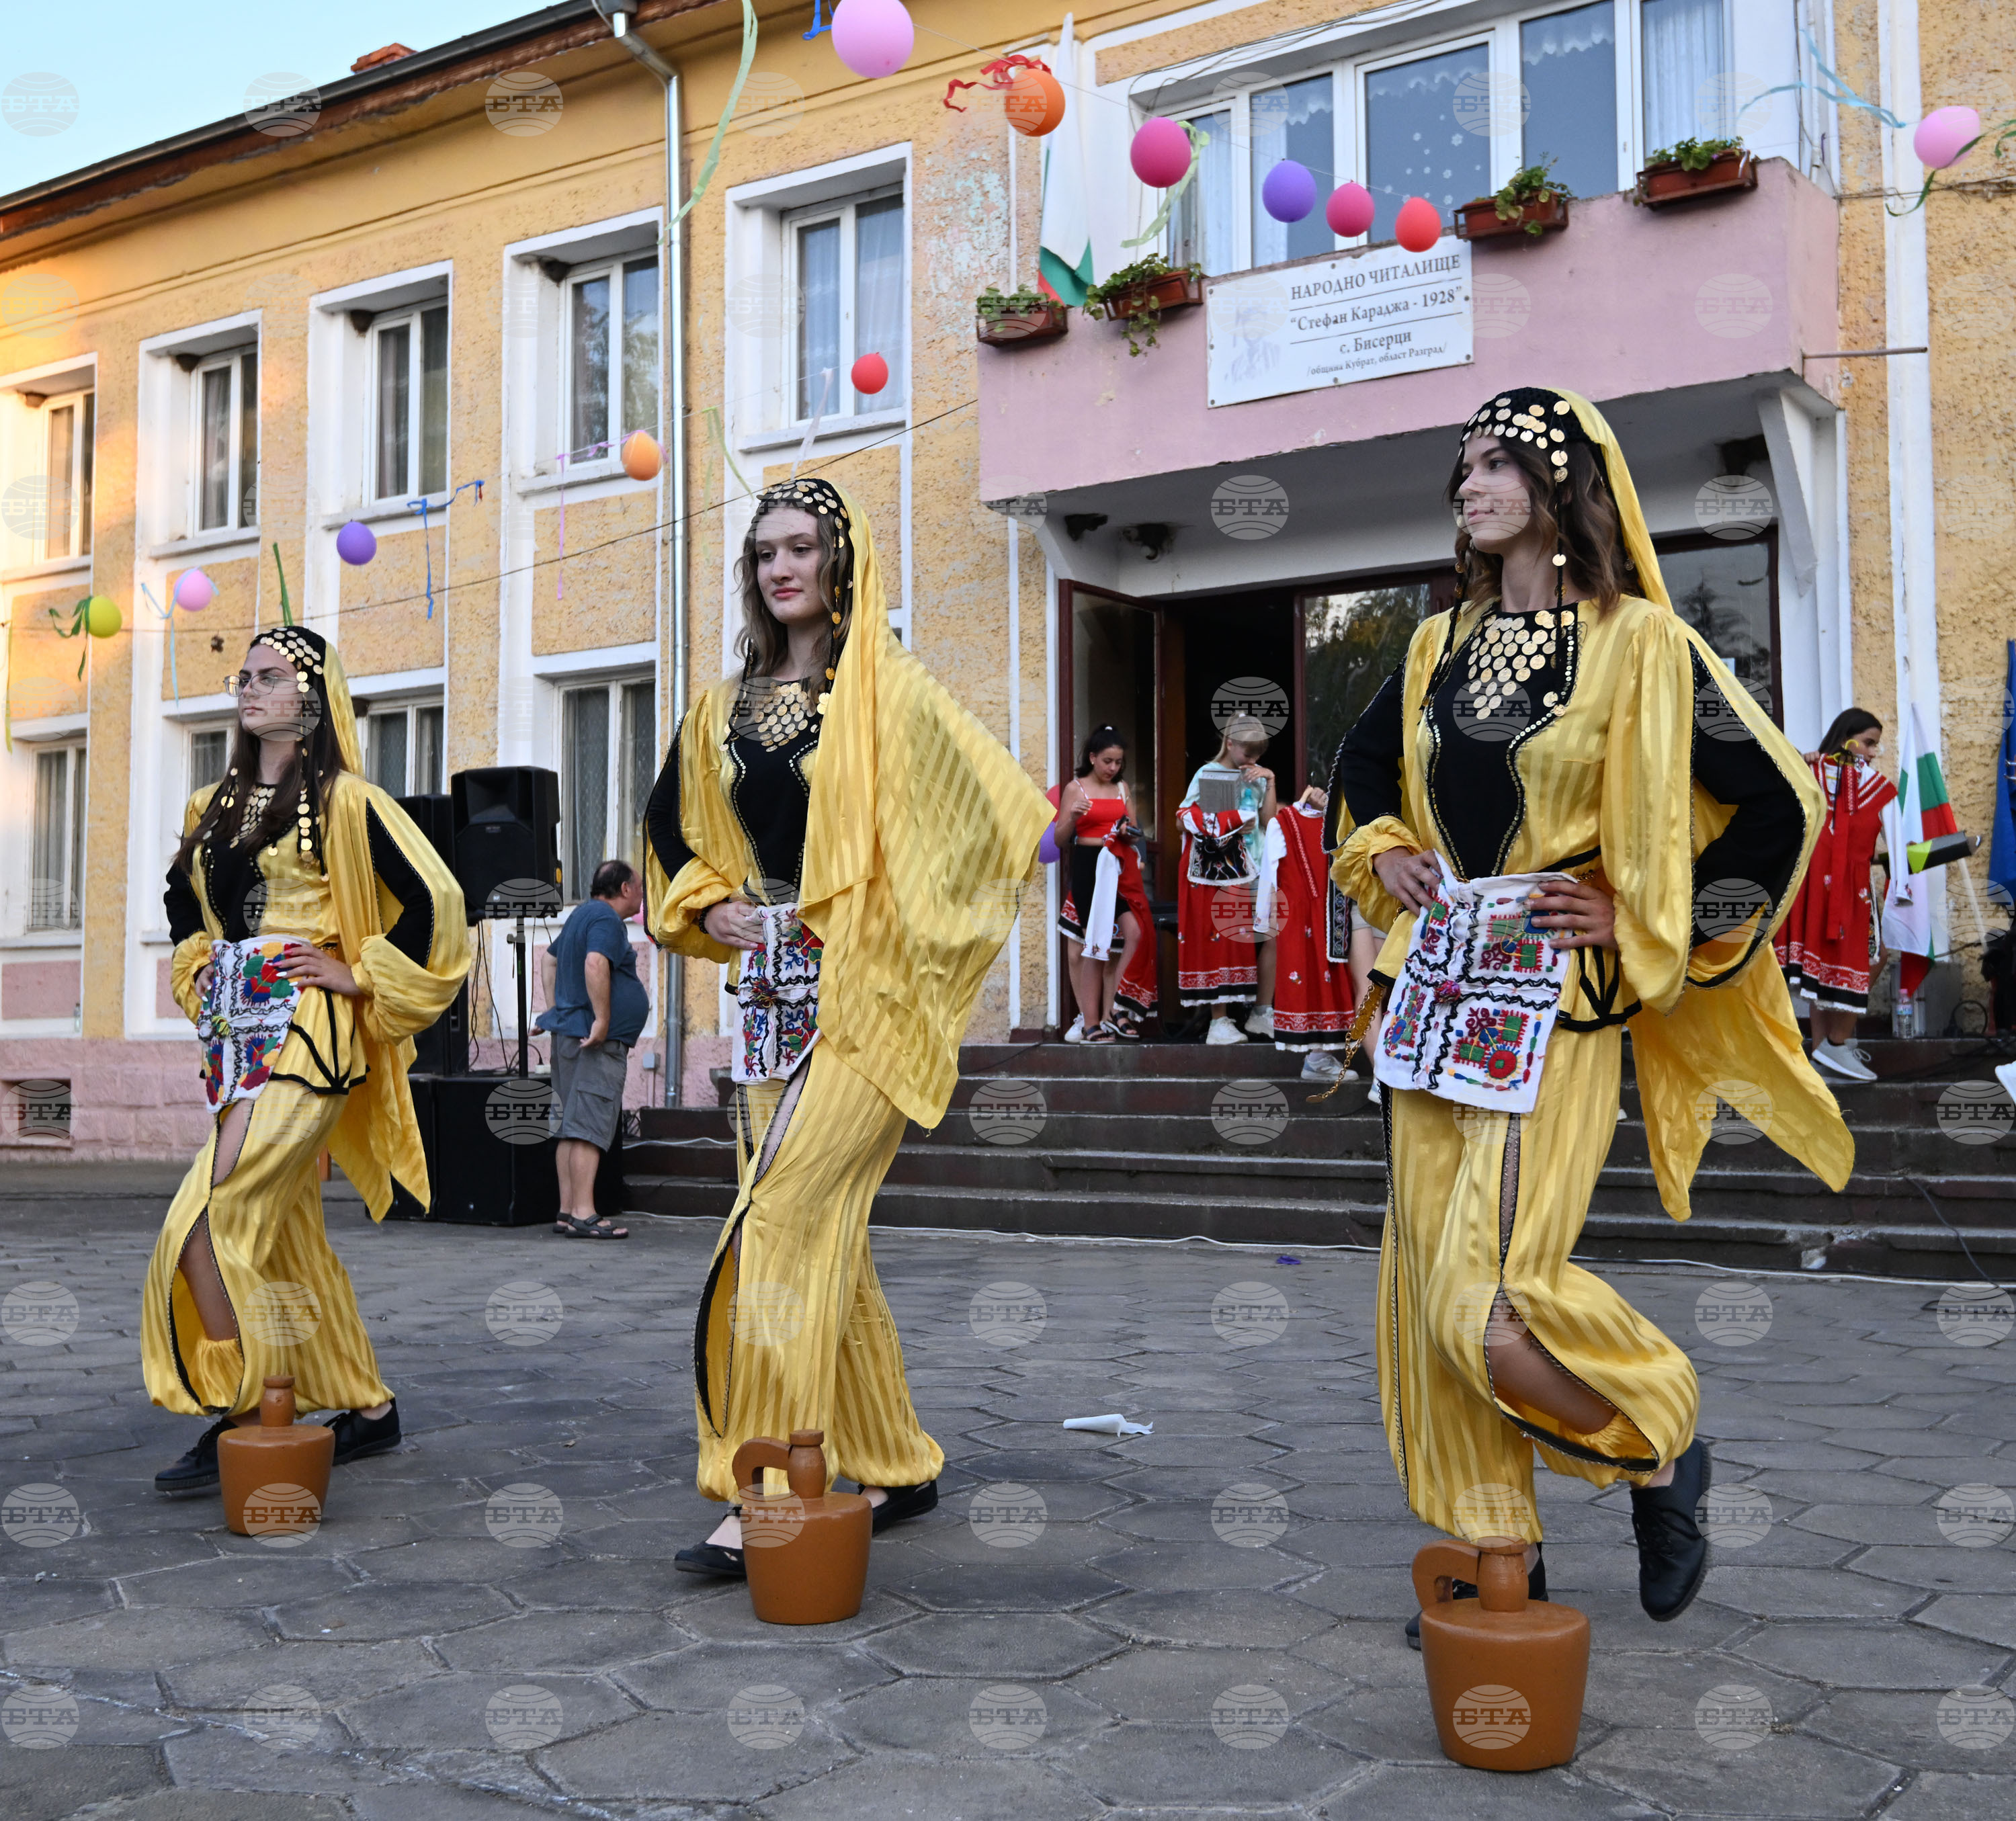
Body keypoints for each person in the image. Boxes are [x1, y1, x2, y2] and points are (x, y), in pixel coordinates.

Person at [1329, 386, 1852, 1642]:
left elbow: (1783, 810)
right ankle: (1497, 1556)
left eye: (1501, 461)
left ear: (1563, 490)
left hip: (1555, 1009)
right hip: (1435, 1002)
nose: (1472, 482)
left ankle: (1660, 1445)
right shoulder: (1433, 646)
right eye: (1464, 465)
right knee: (1422, 1293)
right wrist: (1388, 849)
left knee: (1487, 1295)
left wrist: (1638, 915)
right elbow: (1359, 778)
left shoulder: (1644, 647)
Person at [644, 476, 1050, 1579]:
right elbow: (669, 831)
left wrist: (887, 927)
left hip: (867, 1013)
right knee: (833, 1240)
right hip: (771, 1006)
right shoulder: (718, 711)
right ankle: (896, 1458)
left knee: (776, 1219)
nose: (783, 568)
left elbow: (1002, 819)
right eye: (766, 551)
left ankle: (768, 1476)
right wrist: (712, 904)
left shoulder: (891, 692)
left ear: (841, 563)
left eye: (804, 548)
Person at [147, 625, 469, 1495]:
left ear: (310, 696)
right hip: (238, 1035)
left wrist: (359, 974)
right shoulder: (209, 807)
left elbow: (438, 900)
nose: (249, 689)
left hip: (309, 1035)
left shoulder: (347, 801)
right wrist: (202, 966)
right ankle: (367, 1406)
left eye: (270, 676)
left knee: (208, 1222)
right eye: (242, 676)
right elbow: (184, 907)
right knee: (286, 1236)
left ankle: (247, 1402)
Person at [1775, 710, 1894, 1083]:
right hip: (1830, 885)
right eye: (1870, 742)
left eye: (1877, 744)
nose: (1874, 752)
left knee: (1830, 966)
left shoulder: (1862, 785)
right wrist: (1800, 758)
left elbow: (1864, 840)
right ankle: (1834, 1045)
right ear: (1848, 738)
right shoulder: (1812, 771)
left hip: (1832, 885)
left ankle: (1823, 1052)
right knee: (1868, 956)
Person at [536, 857, 648, 1238]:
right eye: (641, 887)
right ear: (626, 889)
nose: (643, 895)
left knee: (570, 1126)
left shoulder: (581, 915)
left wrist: (557, 1011)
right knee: (588, 1125)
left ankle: (567, 1212)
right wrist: (601, 1020)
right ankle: (585, 1214)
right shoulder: (605, 920)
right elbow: (596, 963)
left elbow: (548, 961)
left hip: (570, 1035)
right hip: (594, 1041)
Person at [1177, 715, 1279, 1043]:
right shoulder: (1209, 775)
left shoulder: (1258, 776)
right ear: (1230, 743)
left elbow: (1270, 822)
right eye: (1248, 754)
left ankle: (1261, 1012)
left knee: (1269, 933)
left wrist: (1270, 781)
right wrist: (1231, 820)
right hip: (1223, 869)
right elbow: (1185, 821)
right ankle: (1219, 1022)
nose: (1253, 761)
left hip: (1258, 866)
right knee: (1223, 936)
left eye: (1258, 756)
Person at [1052, 728, 1148, 1042]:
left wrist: (1128, 833)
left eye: (1118, 762)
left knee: (1134, 932)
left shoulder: (1122, 788)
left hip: (1117, 865)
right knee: (1095, 945)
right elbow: (1059, 840)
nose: (1113, 768)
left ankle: (1115, 1010)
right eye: (1107, 761)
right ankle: (1091, 1023)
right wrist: (1074, 819)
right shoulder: (1076, 788)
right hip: (1087, 865)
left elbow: (1136, 831)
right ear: (1092, 758)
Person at [1257, 784, 1355, 1078]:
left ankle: (1320, 1057)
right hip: (1300, 915)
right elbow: (1269, 874)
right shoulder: (1282, 822)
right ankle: (1317, 1058)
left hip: (1337, 914)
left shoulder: (1338, 824)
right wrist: (1266, 919)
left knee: (1336, 977)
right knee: (1308, 976)